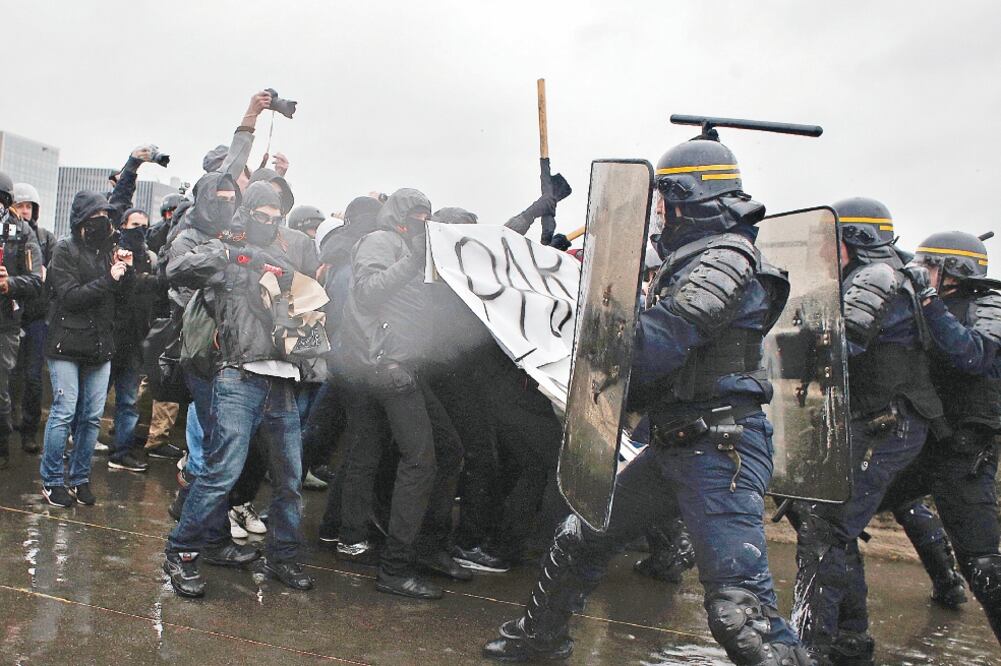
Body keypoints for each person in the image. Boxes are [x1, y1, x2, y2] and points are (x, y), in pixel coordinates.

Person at [483, 137, 811, 664]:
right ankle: (537, 641)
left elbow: (658, 344)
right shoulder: (697, 254)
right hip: (675, 440)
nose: (657, 210)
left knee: (739, 612)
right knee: (579, 538)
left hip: (719, 449)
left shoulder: (724, 256)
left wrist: (603, 330)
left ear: (688, 196)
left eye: (662, 198)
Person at [789, 198, 946, 664]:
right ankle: (849, 640)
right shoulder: (872, 275)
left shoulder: (875, 277)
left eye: (829, 241)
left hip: (887, 426)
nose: (822, 251)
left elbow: (841, 342)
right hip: (874, 422)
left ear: (855, 239)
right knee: (831, 526)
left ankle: (809, 648)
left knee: (825, 528)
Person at [163, 181, 314, 598]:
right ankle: (182, 552)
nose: (268, 223)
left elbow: (306, 313)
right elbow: (175, 269)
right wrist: (234, 255)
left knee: (289, 478)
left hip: (282, 379)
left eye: (275, 217)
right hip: (237, 375)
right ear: (246, 215)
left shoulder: (283, 255)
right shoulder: (225, 251)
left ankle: (283, 555)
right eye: (260, 216)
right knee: (219, 472)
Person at [338, 188, 466, 599]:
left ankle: (428, 547)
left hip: (405, 365)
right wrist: (413, 254)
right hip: (387, 367)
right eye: (414, 213)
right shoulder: (382, 241)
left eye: (427, 214)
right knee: (421, 462)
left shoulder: (418, 245)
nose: (422, 220)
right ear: (396, 214)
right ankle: (395, 568)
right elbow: (368, 291)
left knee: (448, 450)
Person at [875, 231, 1001, 644]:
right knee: (837, 515)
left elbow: (972, 353)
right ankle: (843, 640)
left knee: (983, 563)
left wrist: (928, 300)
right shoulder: (929, 305)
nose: (921, 274)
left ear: (953, 272)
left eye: (930, 266)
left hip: (966, 451)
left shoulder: (990, 306)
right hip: (920, 443)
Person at [38, 147, 152, 505]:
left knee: (90, 417)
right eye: (96, 216)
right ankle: (52, 478)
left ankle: (81, 477)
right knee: (64, 410)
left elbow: (124, 296)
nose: (104, 220)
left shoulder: (110, 247)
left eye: (106, 216)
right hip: (66, 344)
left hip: (100, 345)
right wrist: (109, 277)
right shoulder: (64, 250)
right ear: (82, 220)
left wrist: (127, 272)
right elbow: (70, 297)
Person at [106, 207, 161, 473]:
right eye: (134, 224)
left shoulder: (149, 257)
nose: (139, 229)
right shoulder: (112, 251)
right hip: (110, 338)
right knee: (94, 400)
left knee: (128, 401)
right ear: (124, 225)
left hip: (135, 340)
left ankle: (121, 451)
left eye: (144, 225)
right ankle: (77, 443)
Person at [0, 172, 44, 470]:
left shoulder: (22, 232)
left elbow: (35, 280)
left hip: (5, 320)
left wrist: (8, 284)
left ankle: (2, 445)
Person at [10, 182, 53, 456]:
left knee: (34, 377)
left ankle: (29, 430)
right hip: (10, 313)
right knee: (10, 375)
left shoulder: (46, 238)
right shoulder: (7, 236)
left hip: (36, 315)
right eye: (20, 206)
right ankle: (9, 421)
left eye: (29, 206)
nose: (24, 211)